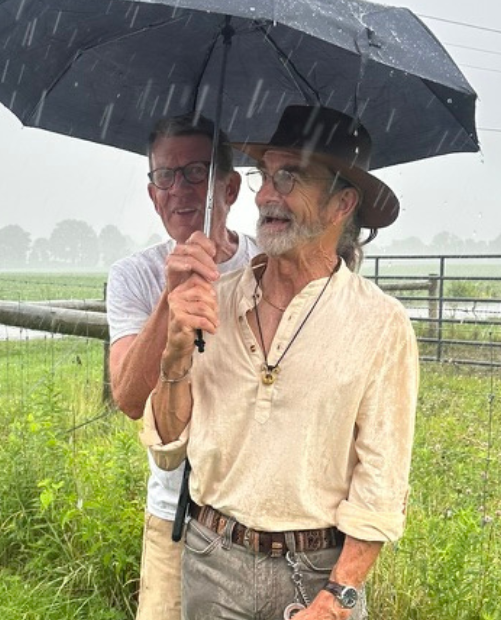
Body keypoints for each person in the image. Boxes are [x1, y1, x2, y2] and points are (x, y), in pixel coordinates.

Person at [143, 105, 419, 620]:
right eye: (265, 176)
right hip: (209, 558)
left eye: (289, 177)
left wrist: (340, 596)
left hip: (318, 573)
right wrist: (175, 356)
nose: (268, 195)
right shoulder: (215, 300)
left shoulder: (380, 323)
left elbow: (381, 478)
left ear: (342, 203)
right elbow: (166, 450)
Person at [107, 113, 259, 620]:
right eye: (164, 177)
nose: (179, 190)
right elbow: (129, 399)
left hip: (251, 516)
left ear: (230, 187)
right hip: (173, 511)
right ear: (152, 194)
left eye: (197, 172)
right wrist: (169, 296)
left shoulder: (267, 270)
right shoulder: (132, 277)